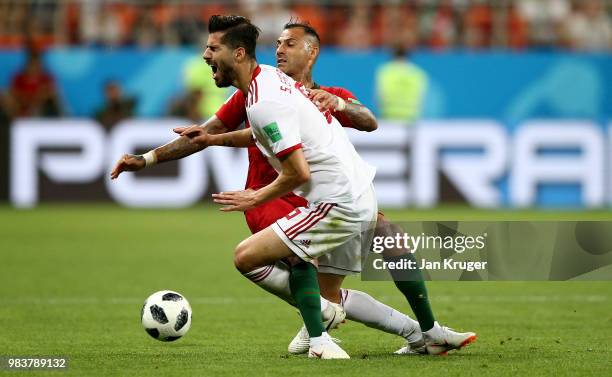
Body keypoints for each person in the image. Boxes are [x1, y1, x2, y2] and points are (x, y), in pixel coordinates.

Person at [112, 18, 476, 357]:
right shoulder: (261, 87)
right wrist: (150, 158)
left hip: (315, 194)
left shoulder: (303, 93)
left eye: (290, 43)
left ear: (311, 52)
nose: (280, 49)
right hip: (280, 197)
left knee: (367, 254)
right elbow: (210, 135)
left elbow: (366, 122)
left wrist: (340, 104)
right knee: (307, 272)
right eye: (279, 43)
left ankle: (405, 331)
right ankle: (330, 331)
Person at [375, 44, 427, 123]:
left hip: (389, 116)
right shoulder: (418, 73)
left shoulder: (385, 71)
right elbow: (421, 97)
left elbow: (380, 95)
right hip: (411, 118)